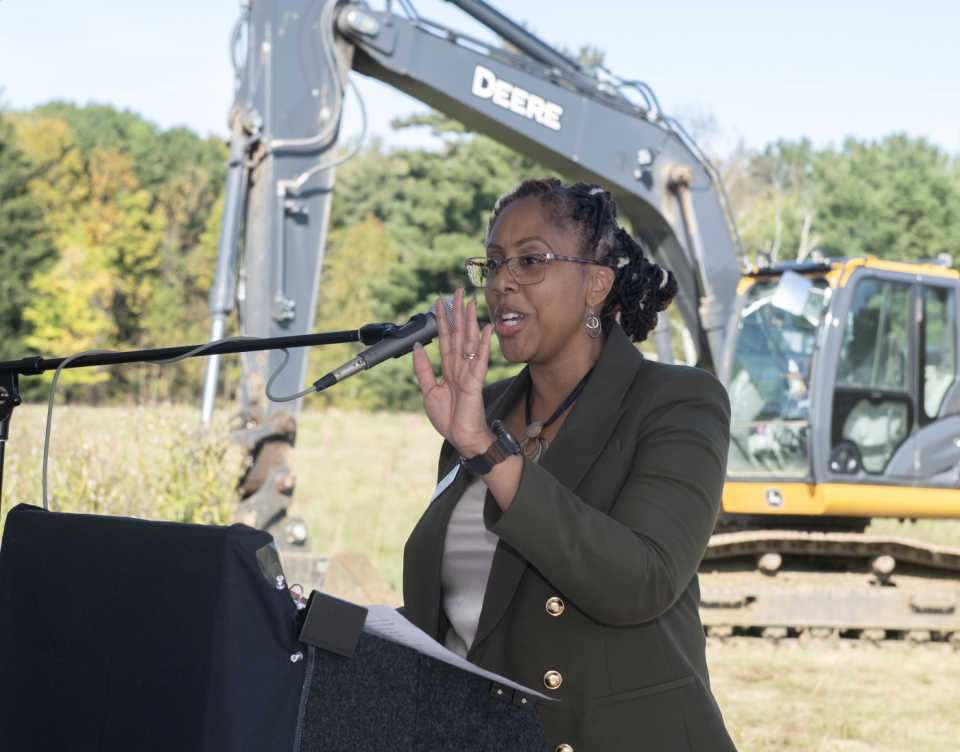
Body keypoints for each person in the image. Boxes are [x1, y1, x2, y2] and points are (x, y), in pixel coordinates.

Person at [405, 178, 736, 751]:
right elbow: (464, 610)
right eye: (493, 264)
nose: (502, 281)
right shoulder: (480, 408)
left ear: (595, 284)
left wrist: (488, 450)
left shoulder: (678, 401)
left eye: (530, 260)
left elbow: (640, 580)